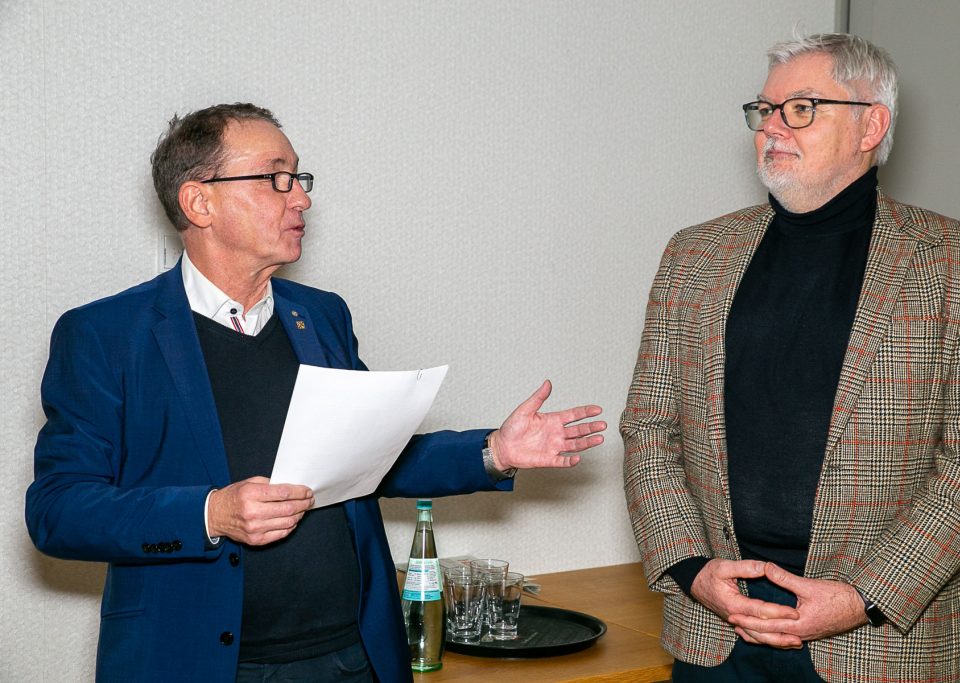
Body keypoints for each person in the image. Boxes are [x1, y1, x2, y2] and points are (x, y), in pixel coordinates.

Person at [26, 103, 607, 683]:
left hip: (350, 657)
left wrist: (493, 452)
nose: (300, 198)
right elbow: (58, 511)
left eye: (299, 178)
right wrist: (211, 512)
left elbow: (368, 459)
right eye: (276, 178)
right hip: (195, 663)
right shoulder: (106, 335)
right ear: (199, 200)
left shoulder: (321, 318)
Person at [621, 33, 960, 683]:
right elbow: (649, 429)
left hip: (881, 637)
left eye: (800, 108)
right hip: (718, 627)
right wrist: (693, 570)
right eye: (765, 109)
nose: (772, 127)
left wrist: (862, 596)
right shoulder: (694, 255)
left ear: (872, 125)